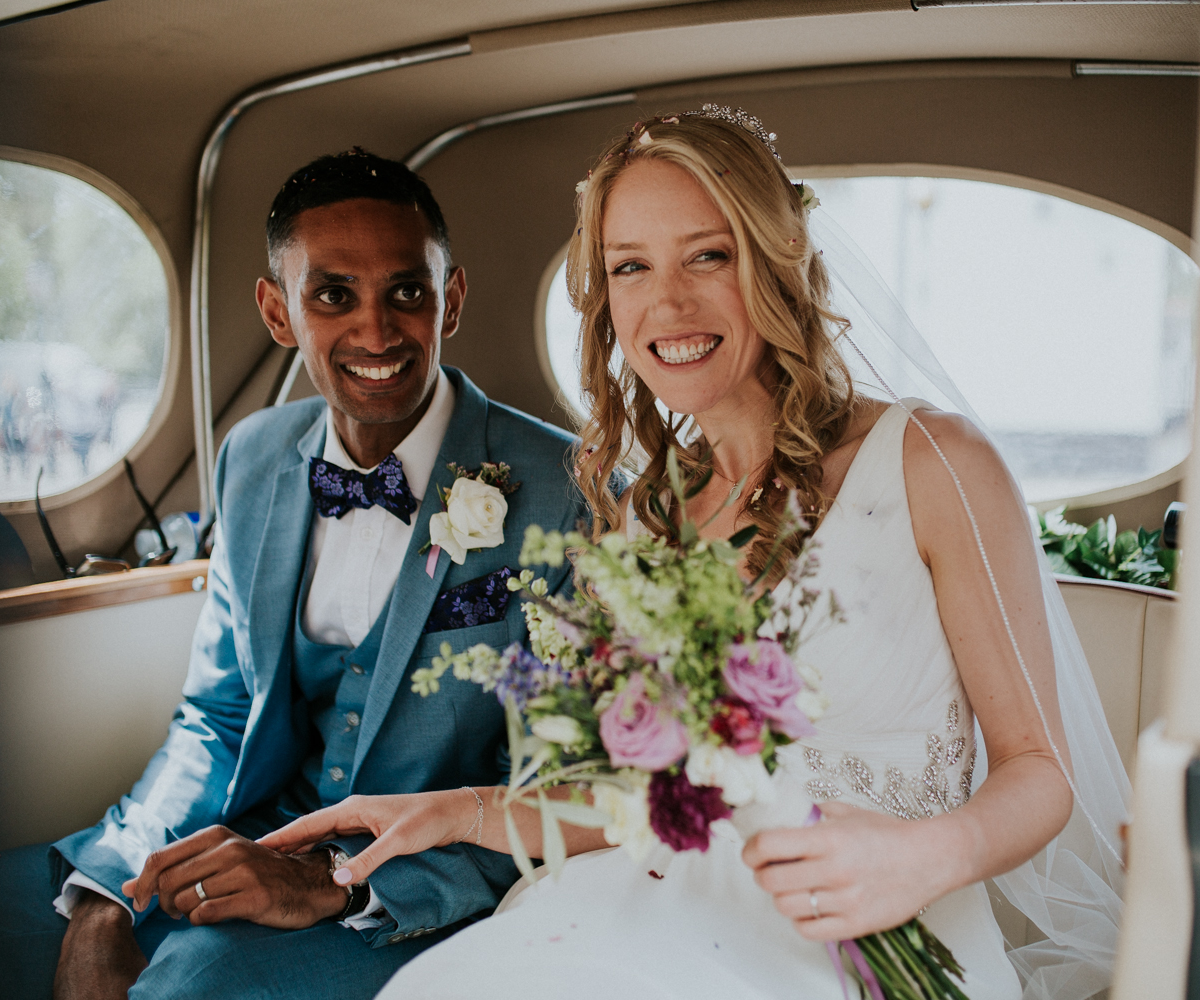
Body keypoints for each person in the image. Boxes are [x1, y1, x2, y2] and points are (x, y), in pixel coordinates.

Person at [260, 112, 1131, 999]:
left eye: (708, 256)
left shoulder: (932, 463)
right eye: (630, 267)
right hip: (661, 906)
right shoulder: (643, 517)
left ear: (776, 258)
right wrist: (458, 813)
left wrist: (922, 856)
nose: (667, 305)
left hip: (874, 927)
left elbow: (1040, 774)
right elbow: (641, 800)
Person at [0, 149, 596, 1000]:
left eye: (407, 292)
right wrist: (105, 894)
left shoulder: (573, 496)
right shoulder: (252, 456)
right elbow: (218, 716)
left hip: (417, 896)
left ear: (451, 299)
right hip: (252, 831)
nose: (377, 333)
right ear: (277, 311)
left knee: (190, 986)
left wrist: (338, 882)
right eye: (333, 294)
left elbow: (567, 797)